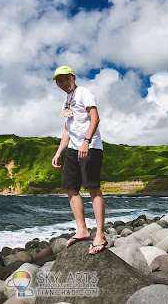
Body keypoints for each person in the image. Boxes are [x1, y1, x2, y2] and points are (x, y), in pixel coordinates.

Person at [51, 66, 107, 255]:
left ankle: (100, 234)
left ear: (73, 77)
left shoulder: (84, 93)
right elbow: (67, 129)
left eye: (66, 79)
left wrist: (86, 142)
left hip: (89, 147)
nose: (64, 83)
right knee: (70, 187)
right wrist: (59, 152)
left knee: (92, 187)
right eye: (59, 81)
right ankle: (82, 229)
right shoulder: (66, 101)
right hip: (73, 149)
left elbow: (95, 118)